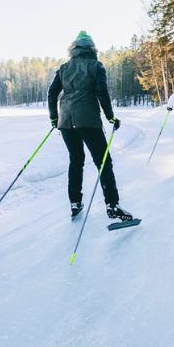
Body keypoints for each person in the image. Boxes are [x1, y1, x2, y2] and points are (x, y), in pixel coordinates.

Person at [47, 31, 134, 221]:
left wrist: (54, 118)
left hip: (66, 121)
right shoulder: (96, 66)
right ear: (92, 48)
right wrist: (111, 117)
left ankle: (75, 203)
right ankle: (112, 205)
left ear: (74, 49)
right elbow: (102, 93)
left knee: (75, 160)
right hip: (88, 121)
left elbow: (52, 93)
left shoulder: (64, 67)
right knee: (103, 161)